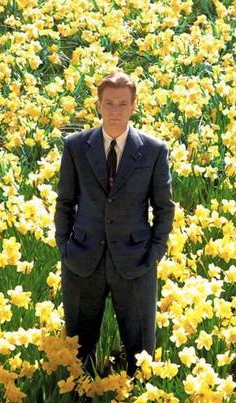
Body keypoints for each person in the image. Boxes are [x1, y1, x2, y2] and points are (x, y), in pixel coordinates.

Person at [54, 72, 175, 381]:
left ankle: (138, 396)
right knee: (78, 348)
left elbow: (164, 207)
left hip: (136, 260)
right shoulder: (76, 146)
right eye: (109, 103)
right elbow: (65, 202)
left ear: (133, 106)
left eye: (122, 104)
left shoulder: (153, 150)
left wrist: (155, 253)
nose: (115, 110)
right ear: (99, 105)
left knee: (140, 349)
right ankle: (79, 396)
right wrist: (65, 247)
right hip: (82, 258)